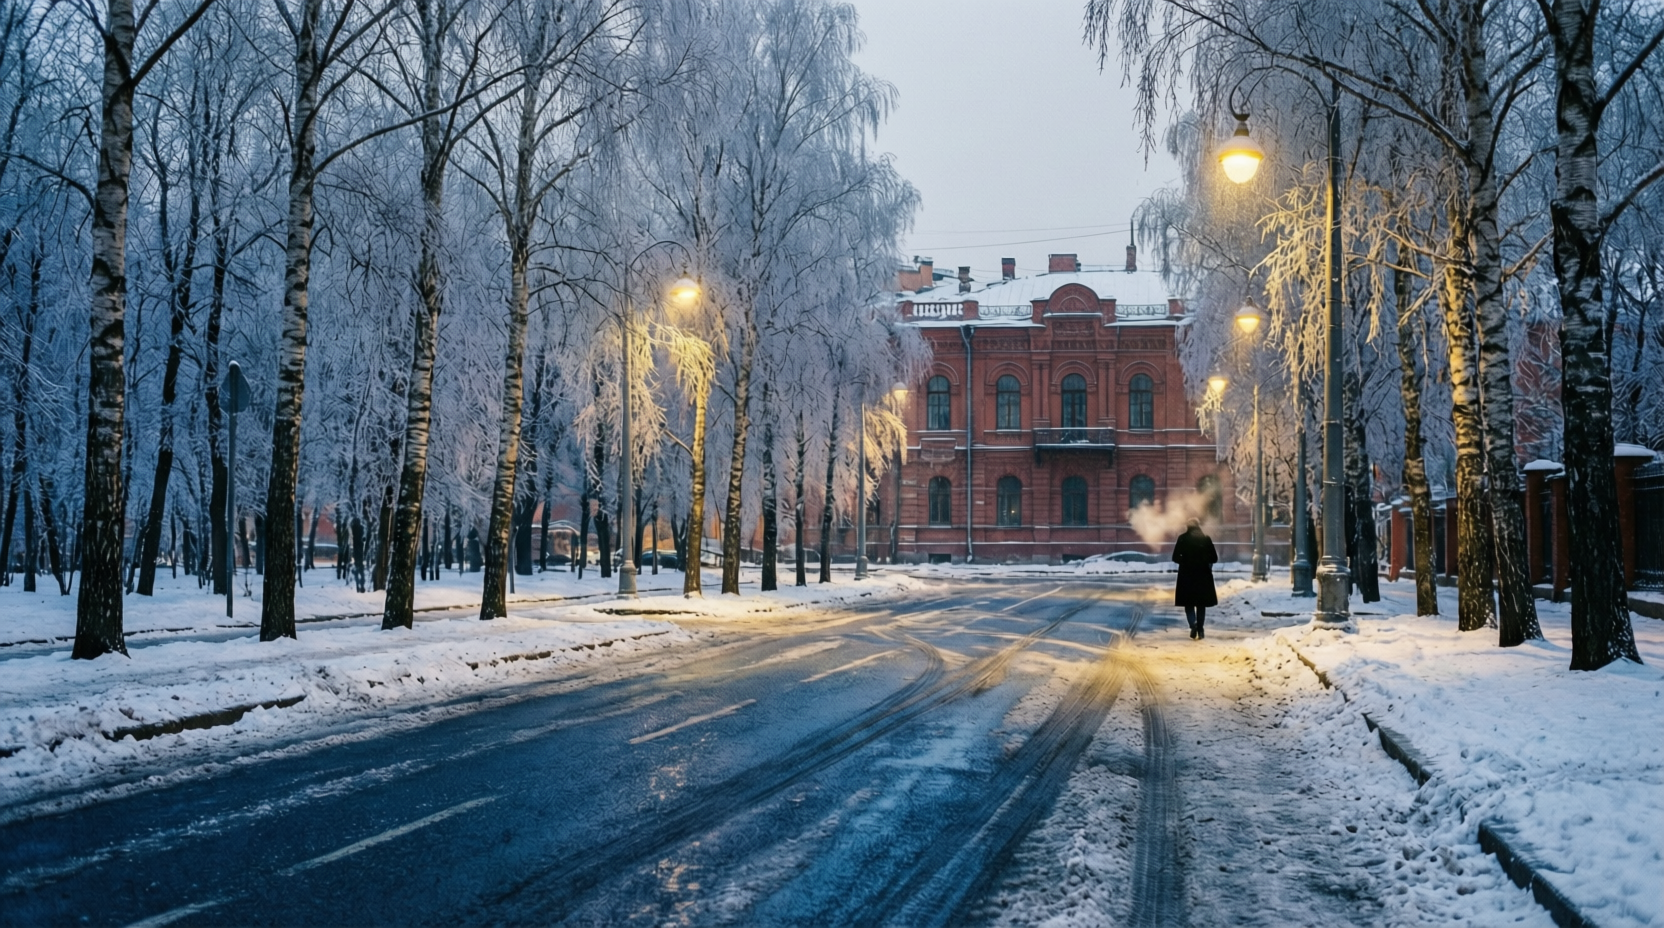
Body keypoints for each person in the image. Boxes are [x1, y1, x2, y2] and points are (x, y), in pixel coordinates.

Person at [1172, 518, 1218, 639]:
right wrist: (1204, 561)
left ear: (1187, 527)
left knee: (1189, 603)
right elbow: (1214, 558)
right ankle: (1201, 629)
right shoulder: (1206, 539)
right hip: (1203, 575)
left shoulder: (1182, 538)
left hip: (1186, 575)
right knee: (1201, 604)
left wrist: (1186, 561)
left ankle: (1193, 624)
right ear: (1198, 526)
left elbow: (1175, 557)